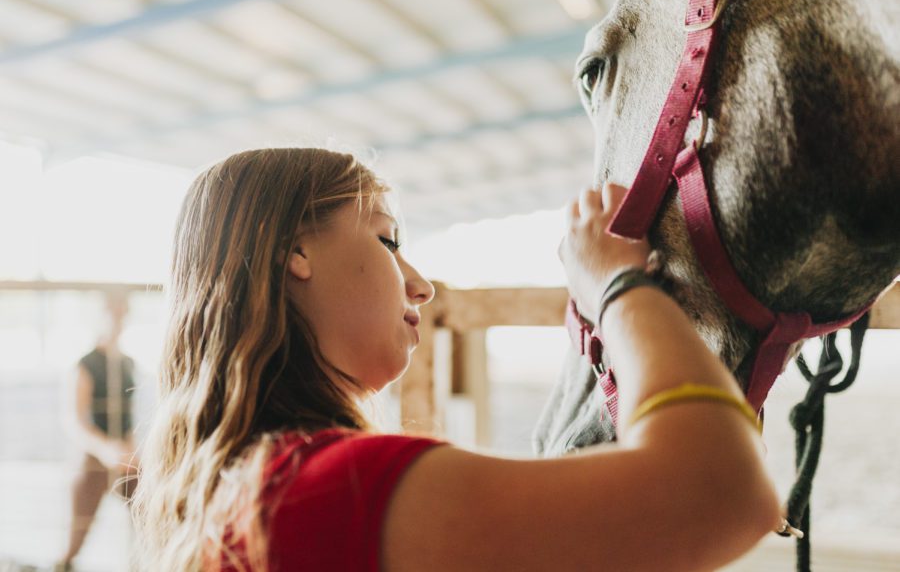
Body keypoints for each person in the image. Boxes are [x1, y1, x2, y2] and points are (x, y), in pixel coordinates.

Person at [132, 148, 780, 571]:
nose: (421, 284)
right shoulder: (325, 491)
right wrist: (616, 286)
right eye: (387, 240)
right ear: (294, 254)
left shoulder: (237, 488)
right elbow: (719, 492)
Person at [58, 291, 139, 571]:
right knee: (77, 538)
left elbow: (129, 418)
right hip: (93, 456)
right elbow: (75, 421)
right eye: (113, 312)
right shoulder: (86, 363)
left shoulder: (128, 364)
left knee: (146, 517)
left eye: (122, 313)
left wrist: (130, 450)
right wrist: (105, 448)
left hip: (123, 456)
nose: (118, 320)